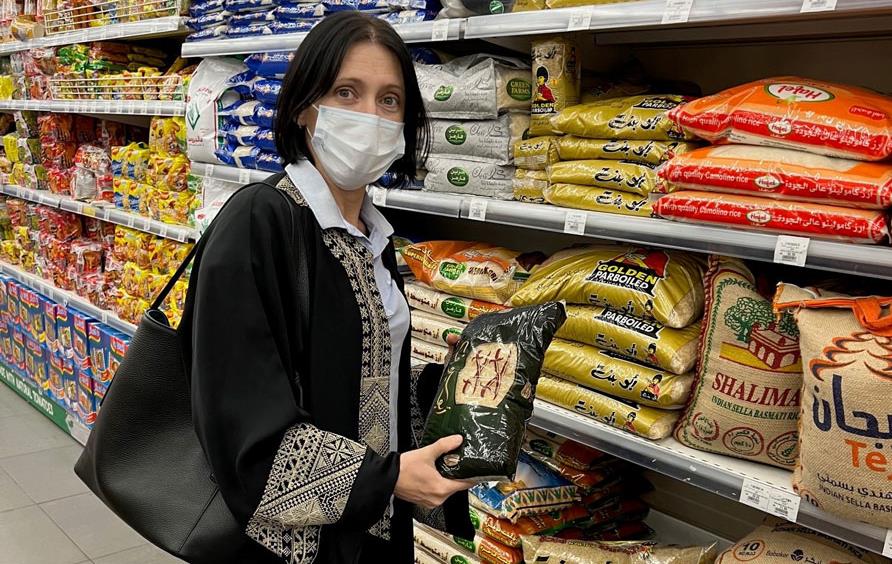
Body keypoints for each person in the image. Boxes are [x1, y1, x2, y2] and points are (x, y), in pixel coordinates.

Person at [179, 12, 473, 563]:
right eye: (346, 92)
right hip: (288, 549)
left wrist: (454, 389)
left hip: (370, 536)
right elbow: (243, 429)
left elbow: (353, 384)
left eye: (390, 100)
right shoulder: (258, 223)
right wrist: (383, 482)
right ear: (302, 107)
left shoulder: (373, 237)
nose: (371, 116)